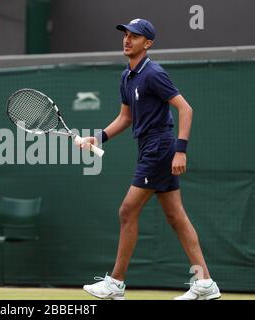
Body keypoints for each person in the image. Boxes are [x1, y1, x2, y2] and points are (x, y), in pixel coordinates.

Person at [79, 19, 221, 300]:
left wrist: (180, 150)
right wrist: (98, 137)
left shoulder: (154, 73)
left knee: (127, 211)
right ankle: (205, 282)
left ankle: (116, 283)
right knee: (175, 215)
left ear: (148, 43)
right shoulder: (126, 76)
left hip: (160, 146)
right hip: (147, 146)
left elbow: (186, 109)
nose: (127, 40)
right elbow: (125, 118)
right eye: (126, 35)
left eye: (135, 36)